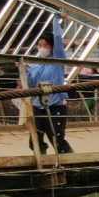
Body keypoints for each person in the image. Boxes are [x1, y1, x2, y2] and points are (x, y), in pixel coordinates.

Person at [26, 14, 73, 154]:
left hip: (55, 105)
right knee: (34, 140)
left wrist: (56, 18)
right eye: (39, 45)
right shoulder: (34, 65)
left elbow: (58, 38)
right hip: (38, 106)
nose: (42, 48)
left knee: (57, 139)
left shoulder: (58, 59)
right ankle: (42, 159)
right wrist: (23, 71)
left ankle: (70, 161)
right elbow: (30, 84)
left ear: (52, 47)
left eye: (45, 45)